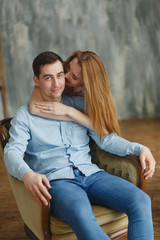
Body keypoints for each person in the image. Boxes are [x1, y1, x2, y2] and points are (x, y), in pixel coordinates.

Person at [4, 51, 155, 240]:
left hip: (92, 175)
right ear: (36, 80)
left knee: (141, 200)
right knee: (82, 214)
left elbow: (106, 138)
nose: (57, 83)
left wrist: (140, 148)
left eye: (60, 75)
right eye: (48, 78)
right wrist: (27, 174)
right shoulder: (24, 115)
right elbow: (12, 151)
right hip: (59, 182)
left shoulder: (79, 105)